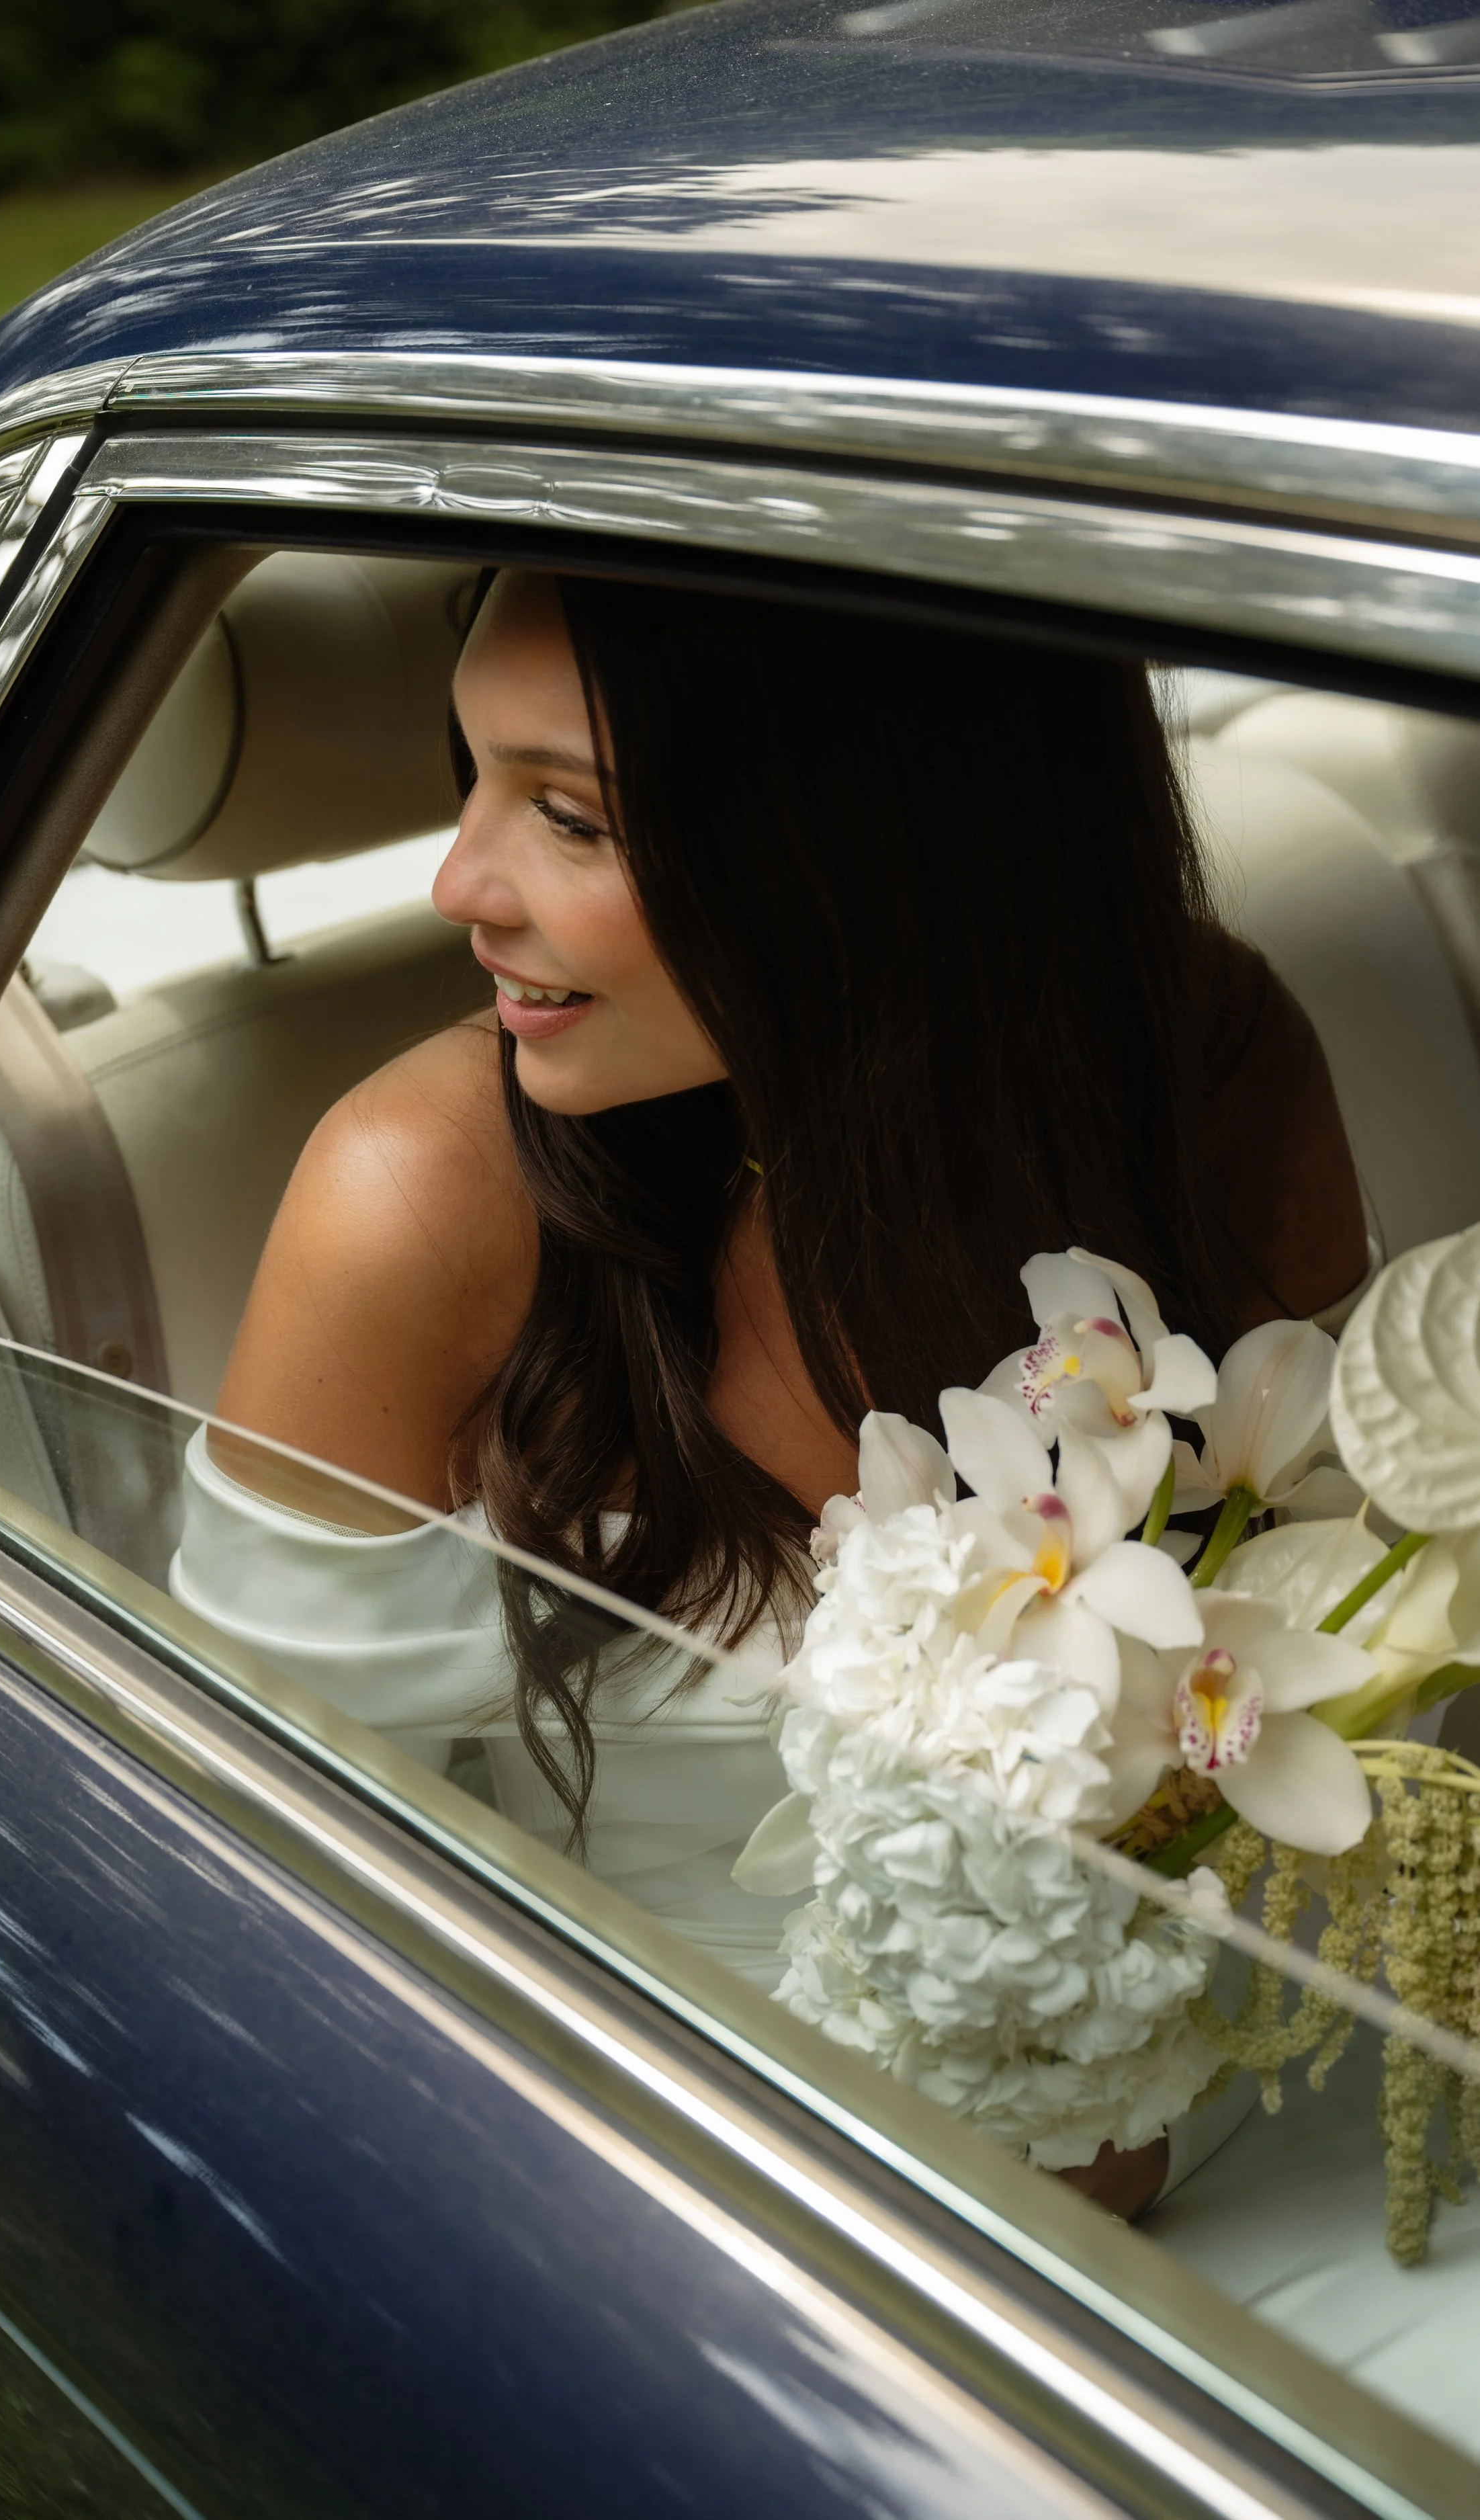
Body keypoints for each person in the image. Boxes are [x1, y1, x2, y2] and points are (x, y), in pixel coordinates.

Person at [175, 567, 1368, 2218]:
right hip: (711, 2209)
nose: (463, 884)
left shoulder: (1205, 1059)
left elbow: (1353, 1638)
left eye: (570, 819)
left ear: (868, 833)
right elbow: (251, 1888)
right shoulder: (415, 1201)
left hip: (1300, 2123)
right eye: (472, 779)